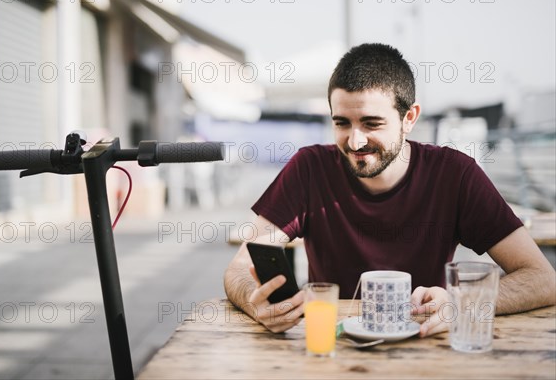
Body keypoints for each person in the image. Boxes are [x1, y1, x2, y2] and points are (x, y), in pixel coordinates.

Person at [223, 43, 556, 336]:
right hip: (333, 350)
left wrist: (461, 303)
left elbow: (543, 279)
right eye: (341, 123)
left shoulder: (455, 173)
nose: (354, 141)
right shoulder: (309, 167)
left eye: (371, 123)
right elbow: (239, 268)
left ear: (409, 118)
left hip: (425, 345)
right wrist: (258, 305)